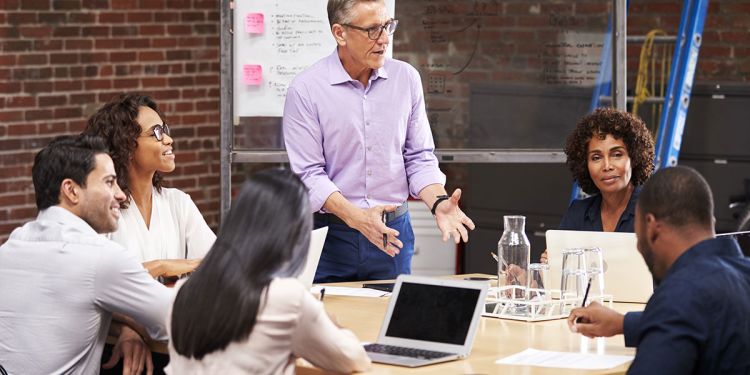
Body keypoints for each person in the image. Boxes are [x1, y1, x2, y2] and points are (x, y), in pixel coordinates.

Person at [283, 0, 474, 282]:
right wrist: (359, 220)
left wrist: (438, 201)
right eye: (372, 29)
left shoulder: (406, 79)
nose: (384, 39)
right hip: (330, 236)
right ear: (340, 33)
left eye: (387, 26)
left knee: (390, 320)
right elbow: (309, 174)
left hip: (392, 233)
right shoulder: (306, 90)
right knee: (327, 319)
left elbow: (419, 156)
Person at [166, 169, 372, 374]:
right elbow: (354, 360)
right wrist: (333, 325)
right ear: (294, 233)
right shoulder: (285, 297)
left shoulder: (183, 292)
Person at [0, 135, 172, 375]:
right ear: (71, 190)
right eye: (110, 182)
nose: (121, 194)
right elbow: (178, 319)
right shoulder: (100, 258)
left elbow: (64, 315)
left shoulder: (9, 250)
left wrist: (120, 324)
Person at [567, 166, 750, 374]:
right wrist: (622, 323)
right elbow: (703, 319)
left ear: (651, 227)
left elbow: (684, 312)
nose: (638, 246)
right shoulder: (740, 275)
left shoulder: (682, 295)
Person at [83, 93, 216, 279]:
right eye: (157, 132)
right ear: (126, 145)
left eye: (165, 129)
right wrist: (162, 267)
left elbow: (217, 265)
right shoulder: (102, 209)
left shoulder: (178, 203)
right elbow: (99, 279)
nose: (169, 139)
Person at [542, 108, 655, 263]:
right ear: (585, 164)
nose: (607, 166)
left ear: (634, 158)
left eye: (617, 155)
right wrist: (542, 271)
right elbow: (556, 277)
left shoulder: (656, 212)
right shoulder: (578, 213)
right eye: (596, 157)